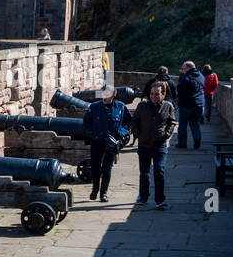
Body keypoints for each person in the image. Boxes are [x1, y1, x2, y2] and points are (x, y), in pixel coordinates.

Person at [82, 86, 132, 202]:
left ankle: (103, 193)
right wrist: (92, 133)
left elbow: (128, 122)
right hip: (97, 141)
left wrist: (121, 133)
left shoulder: (120, 107)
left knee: (107, 168)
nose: (104, 97)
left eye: (108, 95)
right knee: (95, 167)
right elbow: (86, 123)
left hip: (112, 143)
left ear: (113, 96)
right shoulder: (94, 107)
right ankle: (95, 189)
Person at [131, 81, 177, 209]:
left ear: (163, 94)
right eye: (152, 94)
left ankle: (160, 200)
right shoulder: (142, 106)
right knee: (144, 173)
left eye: (157, 94)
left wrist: (166, 134)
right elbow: (134, 122)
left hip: (160, 145)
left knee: (159, 171)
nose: (154, 96)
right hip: (144, 145)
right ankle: (143, 197)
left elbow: (172, 122)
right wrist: (138, 134)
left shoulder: (168, 106)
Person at [175, 60, 205, 149]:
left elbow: (179, 90)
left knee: (183, 125)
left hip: (186, 105)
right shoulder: (201, 76)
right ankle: (197, 140)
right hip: (199, 104)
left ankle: (182, 143)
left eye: (183, 68)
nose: (182, 70)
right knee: (195, 124)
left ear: (188, 68)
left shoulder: (186, 78)